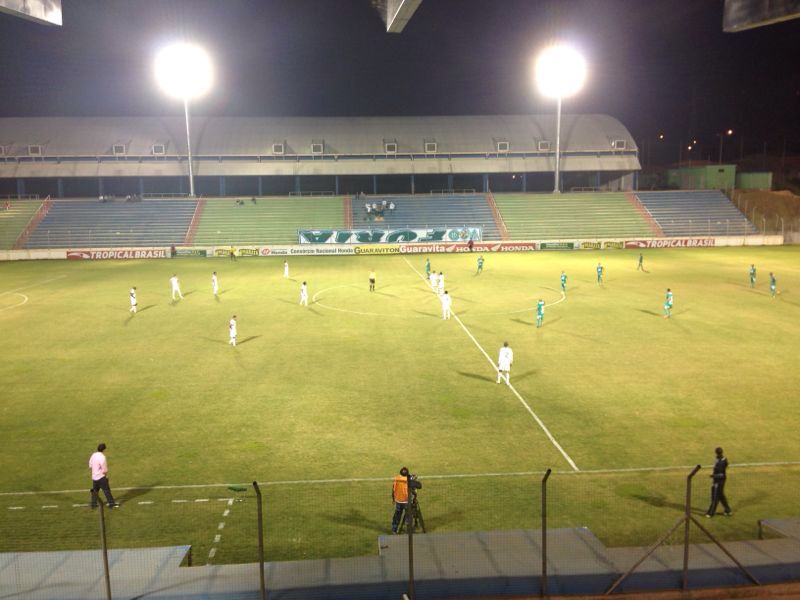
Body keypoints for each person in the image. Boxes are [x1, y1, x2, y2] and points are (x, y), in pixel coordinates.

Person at [89, 443, 118, 509]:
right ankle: (111, 503)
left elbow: (90, 465)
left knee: (95, 491)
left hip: (94, 477)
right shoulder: (102, 457)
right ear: (104, 449)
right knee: (106, 490)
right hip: (101, 477)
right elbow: (104, 469)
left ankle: (93, 504)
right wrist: (105, 475)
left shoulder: (93, 455)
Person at [705, 447, 732, 518]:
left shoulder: (720, 462)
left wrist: (713, 476)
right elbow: (726, 467)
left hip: (718, 481)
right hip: (721, 480)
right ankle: (728, 510)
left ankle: (710, 513)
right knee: (720, 495)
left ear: (716, 453)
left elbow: (721, 474)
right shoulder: (724, 459)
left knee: (715, 496)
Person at [391, 467, 410, 534]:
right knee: (408, 516)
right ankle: (408, 530)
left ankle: (394, 529)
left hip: (398, 500)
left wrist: (393, 498)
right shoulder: (408, 479)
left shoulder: (396, 478)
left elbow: (393, 489)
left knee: (397, 516)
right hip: (406, 501)